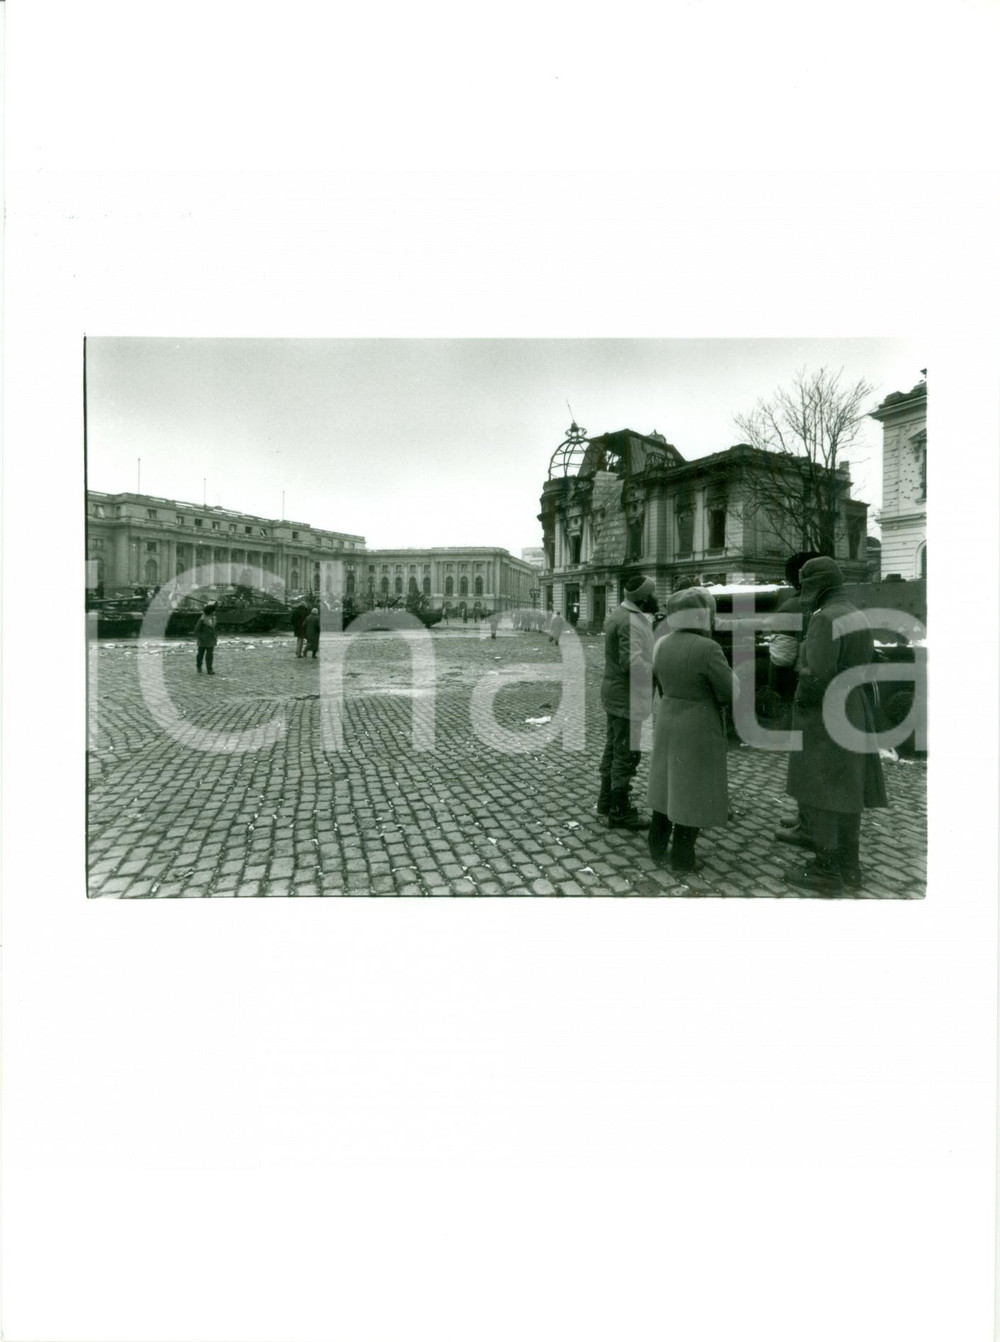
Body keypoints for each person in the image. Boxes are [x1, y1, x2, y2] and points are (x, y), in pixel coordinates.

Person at [784, 557, 888, 894]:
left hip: (826, 712)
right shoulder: (854, 612)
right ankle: (849, 867)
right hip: (853, 707)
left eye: (804, 584)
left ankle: (825, 870)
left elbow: (815, 676)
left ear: (815, 585)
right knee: (847, 789)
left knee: (823, 789)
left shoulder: (824, 617)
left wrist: (799, 700)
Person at [646, 588, 739, 873]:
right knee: (693, 790)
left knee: (665, 784)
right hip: (698, 723)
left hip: (667, 718)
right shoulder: (708, 648)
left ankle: (656, 845)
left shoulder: (661, 643)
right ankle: (683, 857)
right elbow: (728, 691)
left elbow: (659, 683)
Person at [770, 551, 822, 848]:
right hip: (828, 695)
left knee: (804, 761)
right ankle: (807, 816)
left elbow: (781, 657)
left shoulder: (791, 606)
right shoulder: (826, 605)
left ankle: (808, 824)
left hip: (799, 693)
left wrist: (779, 690)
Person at [597, 574, 658, 829]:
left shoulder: (619, 614)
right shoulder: (631, 621)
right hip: (627, 697)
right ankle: (620, 813)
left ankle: (606, 803)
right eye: (652, 595)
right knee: (626, 754)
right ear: (643, 598)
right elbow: (630, 662)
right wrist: (657, 669)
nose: (655, 599)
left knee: (614, 750)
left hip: (616, 694)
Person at [193, 601, 219, 675]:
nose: (214, 612)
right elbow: (196, 630)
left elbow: (214, 628)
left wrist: (215, 635)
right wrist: (202, 637)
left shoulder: (214, 618)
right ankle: (199, 667)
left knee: (210, 655)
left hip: (211, 640)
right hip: (203, 640)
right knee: (200, 655)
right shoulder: (202, 619)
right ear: (210, 612)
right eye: (213, 611)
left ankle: (209, 669)